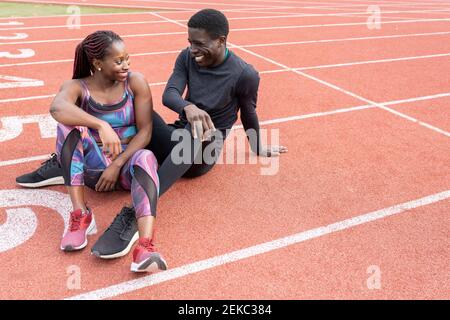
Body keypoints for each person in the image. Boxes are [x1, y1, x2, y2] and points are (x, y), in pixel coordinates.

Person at [16, 9, 287, 260]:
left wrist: (258, 145)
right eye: (190, 41)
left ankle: (133, 216)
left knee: (192, 139)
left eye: (199, 44)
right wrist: (188, 107)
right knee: (143, 110)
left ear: (221, 40)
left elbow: (249, 113)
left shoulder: (245, 74)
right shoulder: (187, 57)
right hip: (178, 134)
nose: (192, 49)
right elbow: (170, 95)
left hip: (204, 149)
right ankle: (73, 160)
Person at [45, 30, 167, 273]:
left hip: (123, 170)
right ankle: (80, 215)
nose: (126, 65)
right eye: (118, 60)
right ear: (98, 63)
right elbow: (57, 108)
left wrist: (117, 164)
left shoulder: (135, 82)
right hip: (92, 170)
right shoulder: (77, 87)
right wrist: (101, 124)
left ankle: (145, 246)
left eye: (127, 58)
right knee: (69, 128)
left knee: (147, 156)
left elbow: (145, 132)